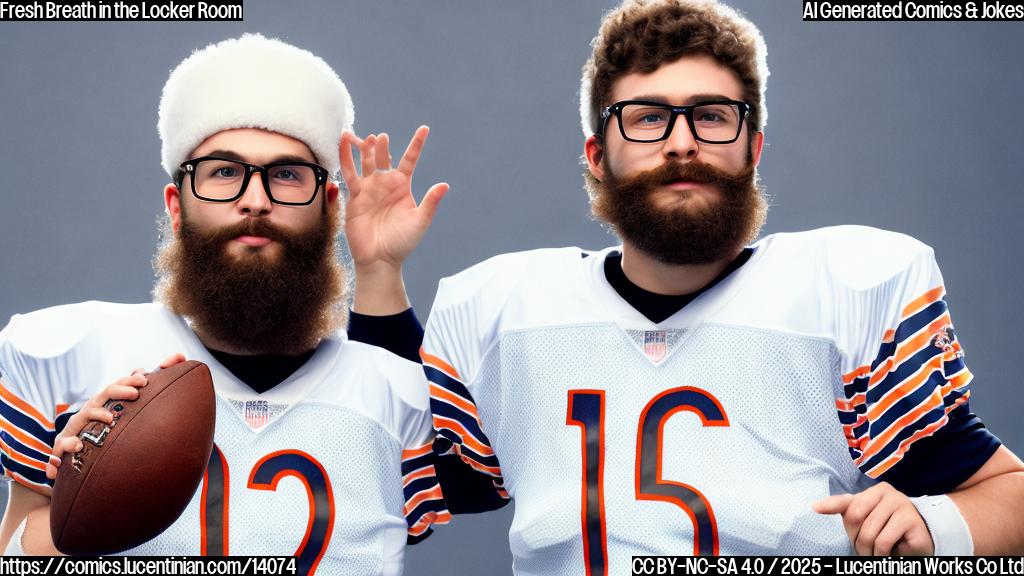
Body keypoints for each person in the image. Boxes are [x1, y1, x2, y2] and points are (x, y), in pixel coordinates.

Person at [343, 0, 1024, 569]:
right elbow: (394, 487)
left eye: (711, 115)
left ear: (752, 147)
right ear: (597, 158)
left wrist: (934, 525)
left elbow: (1009, 498)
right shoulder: (502, 311)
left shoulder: (846, 293)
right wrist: (377, 276)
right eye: (646, 118)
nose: (681, 142)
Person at [0, 33, 451, 573]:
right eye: (224, 172)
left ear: (330, 207)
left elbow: (415, 424)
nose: (255, 201)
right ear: (176, 205)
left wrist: (377, 269)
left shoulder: (393, 389)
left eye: (286, 174)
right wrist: (75, 498)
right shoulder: (65, 355)